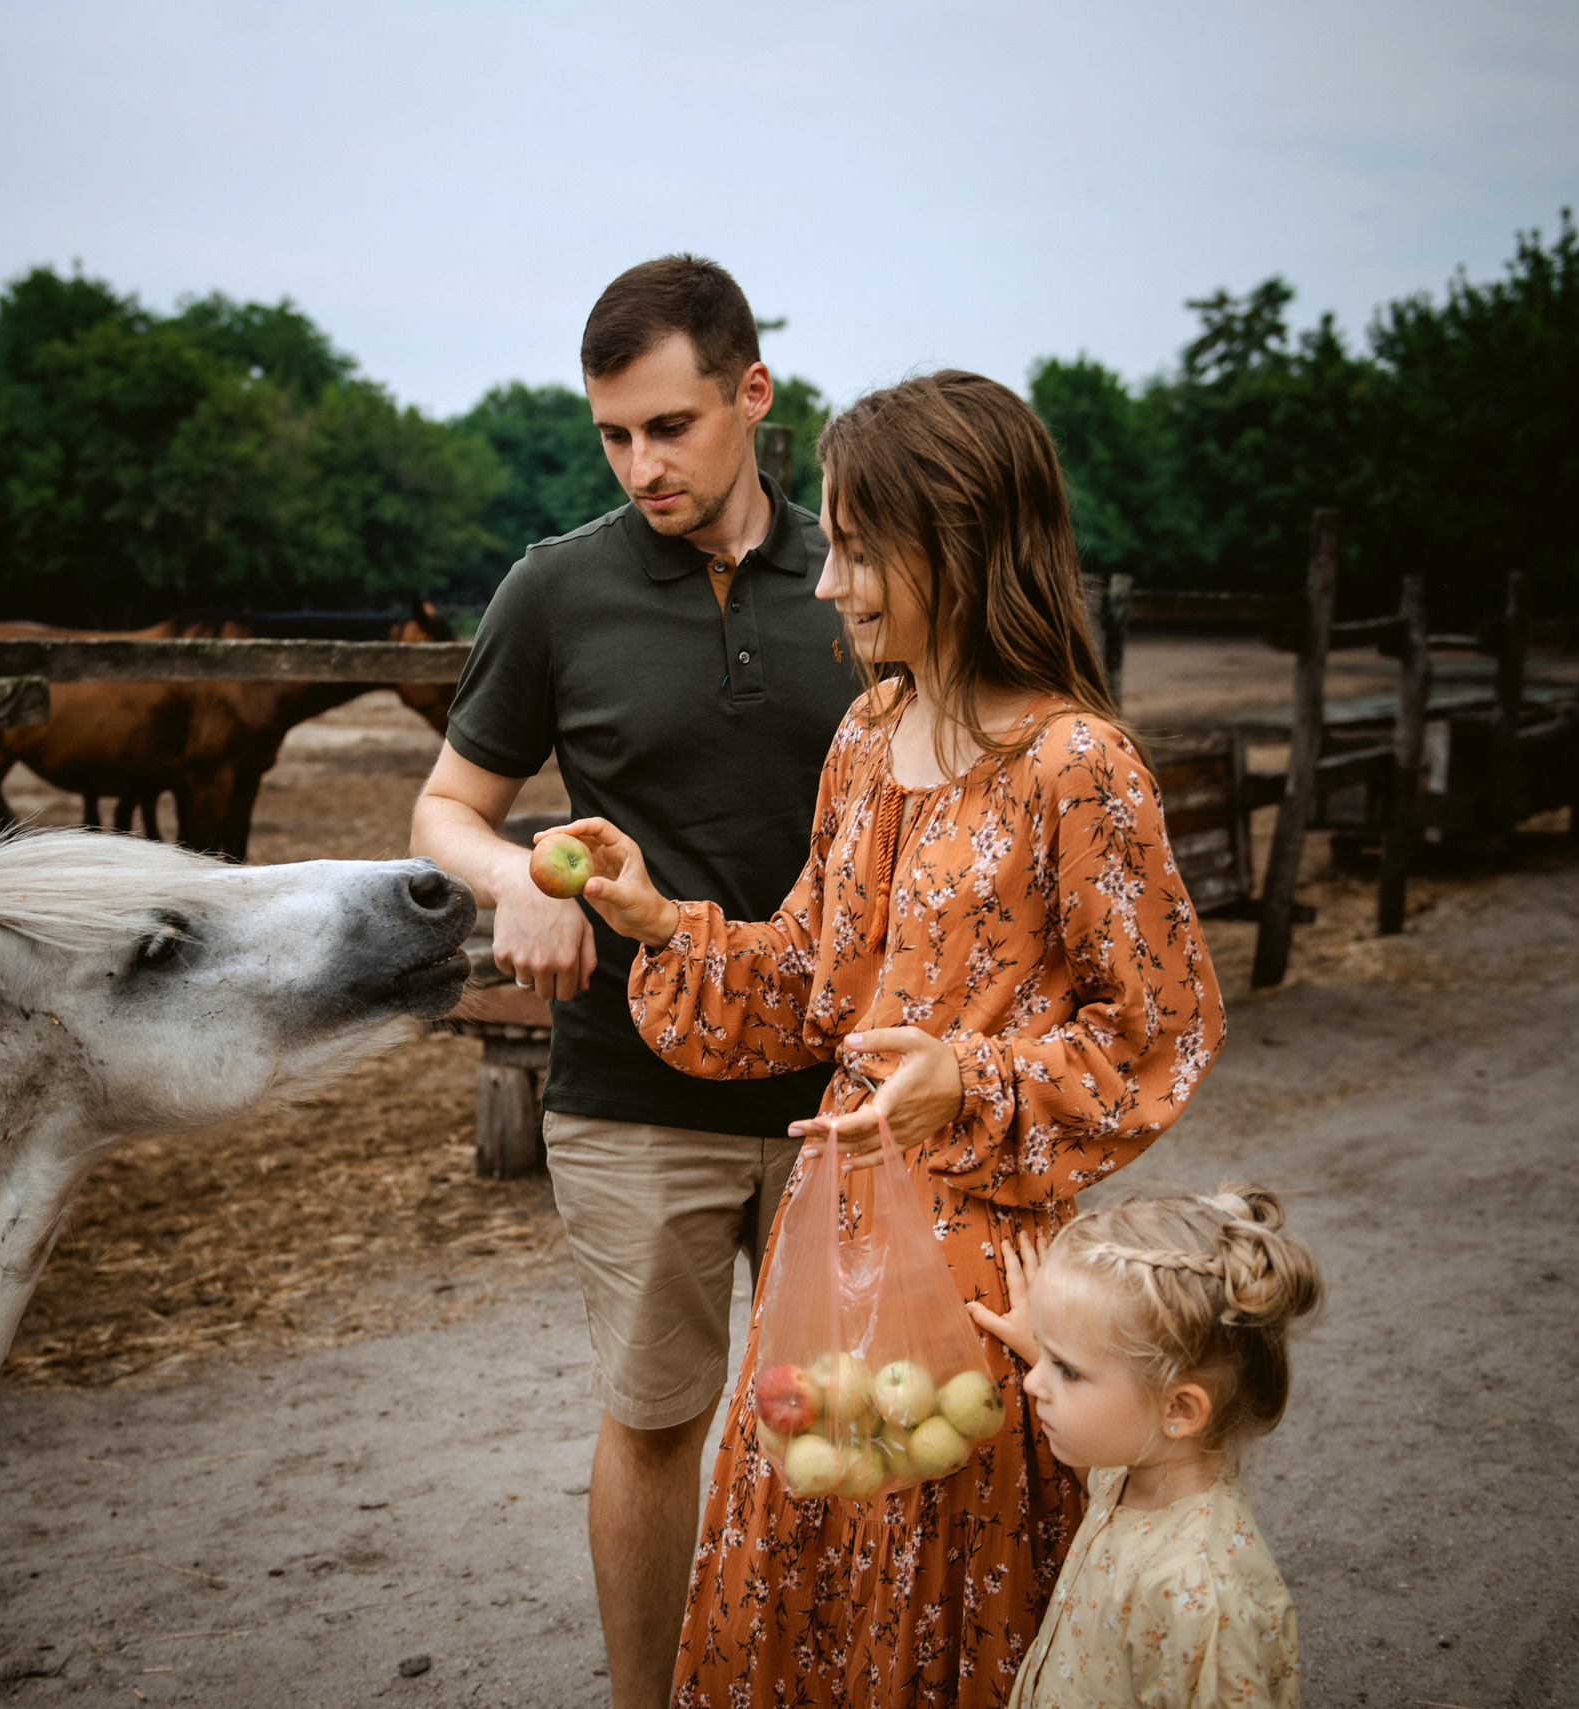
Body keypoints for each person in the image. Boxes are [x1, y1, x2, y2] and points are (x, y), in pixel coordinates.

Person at [547, 369, 1226, 1706]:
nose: (826, 582)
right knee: (811, 1580)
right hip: (833, 1253)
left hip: (982, 1284)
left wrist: (965, 1079)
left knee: (945, 1611)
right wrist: (660, 921)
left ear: (957, 544)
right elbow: (812, 978)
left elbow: (1160, 1033)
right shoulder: (867, 734)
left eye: (858, 549)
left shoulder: (1076, 766)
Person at [408, 255, 861, 1708]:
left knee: (840, 1423)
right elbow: (445, 809)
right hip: (631, 1084)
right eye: (613, 434)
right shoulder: (556, 587)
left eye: (670, 425)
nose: (641, 463)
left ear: (752, 392)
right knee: (660, 1418)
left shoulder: (860, 575)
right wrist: (514, 881)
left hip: (845, 1093)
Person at [969, 1187, 1316, 1707]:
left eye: (1067, 1371)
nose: (1033, 1383)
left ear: (1179, 1409)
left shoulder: (1200, 1598)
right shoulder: (1134, 1466)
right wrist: (1047, 1346)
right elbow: (1097, 1482)